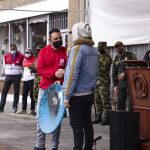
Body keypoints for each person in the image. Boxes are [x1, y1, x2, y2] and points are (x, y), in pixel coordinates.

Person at [63, 22, 98, 150]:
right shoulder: (94, 50)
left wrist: (67, 96)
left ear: (78, 33)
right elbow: (95, 72)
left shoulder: (77, 49)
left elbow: (73, 73)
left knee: (76, 125)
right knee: (87, 123)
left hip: (77, 95)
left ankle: (77, 148)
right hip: (89, 93)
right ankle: (88, 147)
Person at [34, 28, 67, 150]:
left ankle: (54, 147)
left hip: (57, 91)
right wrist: (55, 73)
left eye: (60, 38)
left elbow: (69, 71)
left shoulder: (65, 52)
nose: (58, 40)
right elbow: (40, 70)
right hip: (44, 89)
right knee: (40, 118)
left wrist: (63, 74)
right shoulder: (43, 52)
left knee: (55, 120)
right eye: (55, 39)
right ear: (50, 40)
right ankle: (39, 145)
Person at [112, 41, 137, 110]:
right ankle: (121, 119)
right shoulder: (116, 58)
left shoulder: (130, 55)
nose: (118, 49)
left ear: (123, 46)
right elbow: (114, 73)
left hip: (130, 82)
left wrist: (125, 73)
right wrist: (114, 85)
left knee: (130, 104)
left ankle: (130, 119)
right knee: (120, 103)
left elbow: (136, 66)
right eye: (116, 47)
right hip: (121, 84)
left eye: (119, 47)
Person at [92, 42, 112, 125]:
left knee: (105, 100)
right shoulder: (97, 56)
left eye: (101, 47)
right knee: (97, 100)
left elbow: (103, 68)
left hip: (104, 82)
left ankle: (107, 118)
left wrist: (95, 66)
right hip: (96, 81)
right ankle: (99, 117)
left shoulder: (108, 57)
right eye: (98, 46)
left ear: (105, 47)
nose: (100, 48)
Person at [0, 43, 24, 113]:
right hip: (8, 76)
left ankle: (15, 107)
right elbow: (4, 65)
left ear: (16, 49)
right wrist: (3, 72)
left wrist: (22, 74)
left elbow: (24, 66)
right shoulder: (6, 56)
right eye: (11, 49)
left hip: (17, 76)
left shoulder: (21, 56)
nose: (12, 50)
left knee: (16, 92)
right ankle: (1, 107)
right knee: (4, 91)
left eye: (13, 49)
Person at [17, 48, 36, 115]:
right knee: (24, 95)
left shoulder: (34, 59)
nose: (27, 54)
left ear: (31, 53)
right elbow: (24, 68)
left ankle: (32, 109)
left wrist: (33, 69)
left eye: (28, 53)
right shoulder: (24, 59)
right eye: (26, 52)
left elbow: (36, 69)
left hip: (32, 79)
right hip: (25, 79)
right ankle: (23, 109)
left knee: (32, 95)